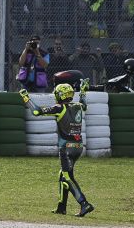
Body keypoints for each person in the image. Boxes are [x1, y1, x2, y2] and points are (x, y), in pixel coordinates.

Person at [20, 80, 95, 217]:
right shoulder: (78, 106)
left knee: (67, 176)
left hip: (66, 148)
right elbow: (84, 104)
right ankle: (61, 207)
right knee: (62, 175)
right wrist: (83, 91)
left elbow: (36, 111)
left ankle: (84, 203)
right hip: (78, 146)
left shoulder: (59, 108)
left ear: (60, 95)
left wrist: (26, 98)